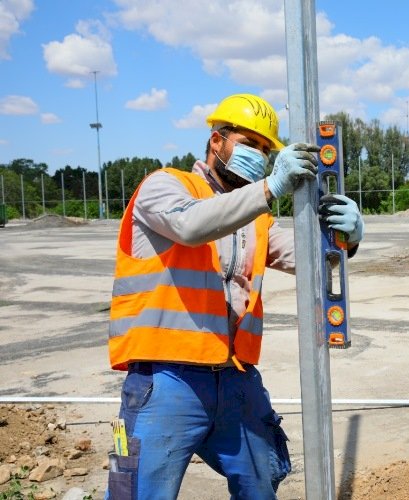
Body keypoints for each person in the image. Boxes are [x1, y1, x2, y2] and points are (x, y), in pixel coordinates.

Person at [106, 93, 364, 499]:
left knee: (262, 483)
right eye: (249, 145)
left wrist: (344, 240)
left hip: (233, 377)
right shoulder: (165, 185)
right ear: (216, 140)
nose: (258, 157)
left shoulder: (255, 217)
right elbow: (191, 225)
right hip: (166, 380)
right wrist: (270, 187)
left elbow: (311, 258)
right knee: (140, 493)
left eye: (265, 151)